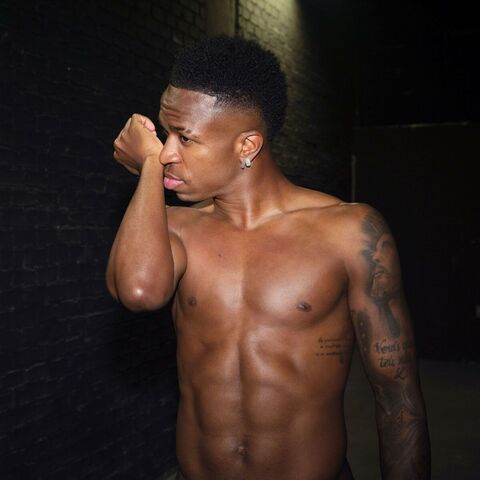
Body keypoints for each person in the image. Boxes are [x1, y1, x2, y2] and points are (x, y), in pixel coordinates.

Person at [106, 36, 430, 480]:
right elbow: (140, 291)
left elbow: (397, 395)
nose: (166, 152)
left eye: (185, 137)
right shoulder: (176, 227)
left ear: (247, 146)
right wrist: (148, 170)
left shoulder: (350, 232)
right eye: (164, 134)